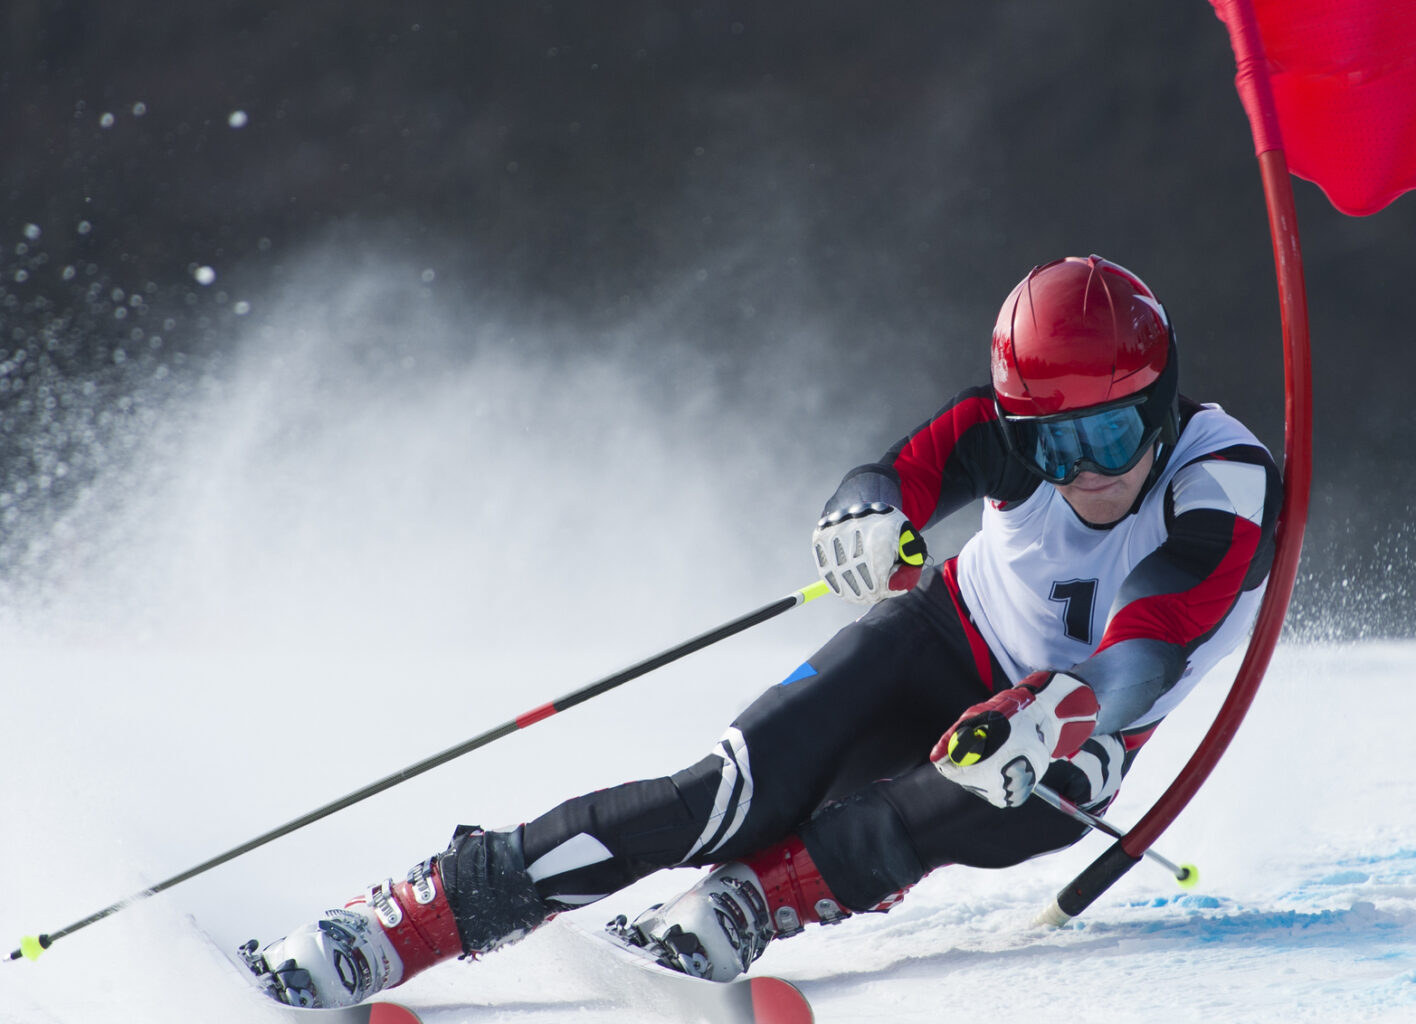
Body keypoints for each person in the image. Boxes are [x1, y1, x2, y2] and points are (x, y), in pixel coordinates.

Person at [242, 255, 1281, 1008]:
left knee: (1002, 782)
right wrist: (867, 520)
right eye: (1054, 446)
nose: (1092, 469)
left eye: (1114, 431)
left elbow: (1156, 629)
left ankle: (759, 903)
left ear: (1166, 398)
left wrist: (1062, 711)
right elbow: (892, 479)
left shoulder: (1220, 480)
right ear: (1019, 431)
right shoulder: (1006, 437)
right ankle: (413, 918)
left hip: (1072, 731)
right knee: (726, 793)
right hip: (936, 641)